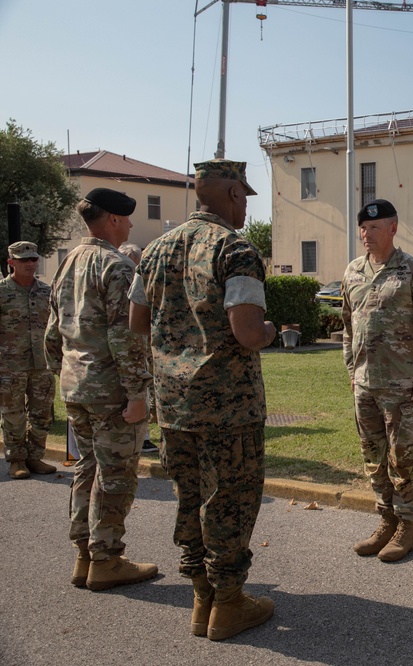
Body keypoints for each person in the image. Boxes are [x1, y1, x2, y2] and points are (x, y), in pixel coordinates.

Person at [129, 159, 276, 641]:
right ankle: (228, 604)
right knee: (229, 502)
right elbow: (249, 333)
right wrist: (273, 330)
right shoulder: (235, 249)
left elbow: (137, 322)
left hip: (173, 406)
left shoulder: (155, 249)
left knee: (190, 499)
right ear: (233, 194)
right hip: (227, 408)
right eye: (247, 196)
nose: (248, 205)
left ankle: (201, 598)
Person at [44, 188, 157, 592]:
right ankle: (107, 560)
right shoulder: (117, 266)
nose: (128, 225)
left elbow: (52, 328)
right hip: (111, 389)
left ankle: (85, 556)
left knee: (87, 469)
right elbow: (125, 336)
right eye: (126, 219)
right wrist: (138, 393)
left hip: (76, 385)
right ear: (112, 220)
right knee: (116, 474)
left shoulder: (68, 262)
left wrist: (61, 370)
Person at [342, 199, 413, 563]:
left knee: (404, 456)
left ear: (393, 228)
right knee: (373, 457)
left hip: (404, 386)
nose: (365, 234)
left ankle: (406, 527)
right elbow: (347, 326)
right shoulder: (353, 272)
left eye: (373, 228)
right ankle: (385, 520)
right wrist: (351, 371)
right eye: (362, 228)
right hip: (365, 384)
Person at [1, 241, 56, 479]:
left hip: (42, 364)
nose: (30, 264)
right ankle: (17, 460)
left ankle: (35, 457)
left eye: (33, 259)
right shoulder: (2, 292)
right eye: (24, 260)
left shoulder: (46, 291)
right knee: (13, 414)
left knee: (42, 413)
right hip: (9, 365)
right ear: (11, 262)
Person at [118, 242, 157, 454]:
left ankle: (144, 436)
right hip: (127, 349)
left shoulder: (142, 283)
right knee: (134, 392)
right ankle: (140, 438)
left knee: (147, 391)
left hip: (144, 346)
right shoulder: (119, 283)